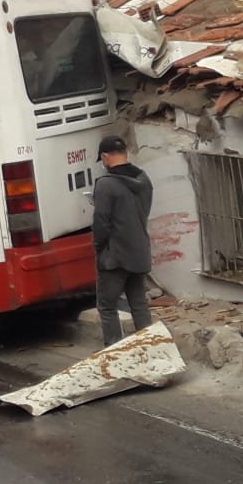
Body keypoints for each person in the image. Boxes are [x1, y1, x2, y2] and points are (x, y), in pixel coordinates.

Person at [92, 135, 154, 348]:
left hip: (115, 256)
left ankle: (114, 355)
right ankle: (151, 350)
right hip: (140, 252)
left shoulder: (105, 185)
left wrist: (100, 250)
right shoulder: (144, 179)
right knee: (139, 305)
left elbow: (101, 224)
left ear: (105, 157)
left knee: (107, 307)